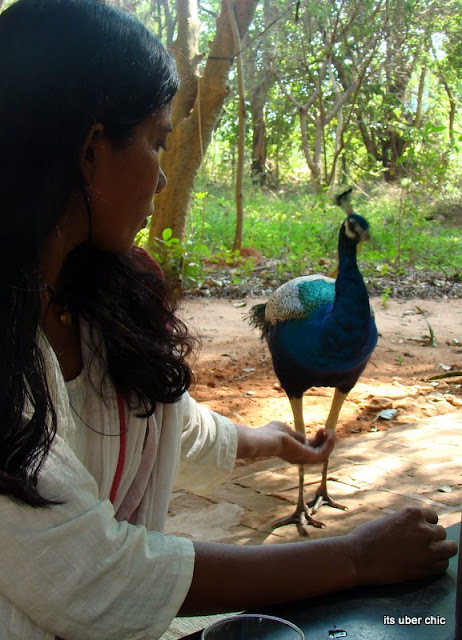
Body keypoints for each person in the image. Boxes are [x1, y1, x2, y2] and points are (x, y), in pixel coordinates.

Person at [0, 0, 456, 639]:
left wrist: (271, 440)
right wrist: (353, 558)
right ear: (91, 150)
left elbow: (166, 424)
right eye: (158, 142)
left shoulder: (99, 295)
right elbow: (94, 574)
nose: (164, 179)